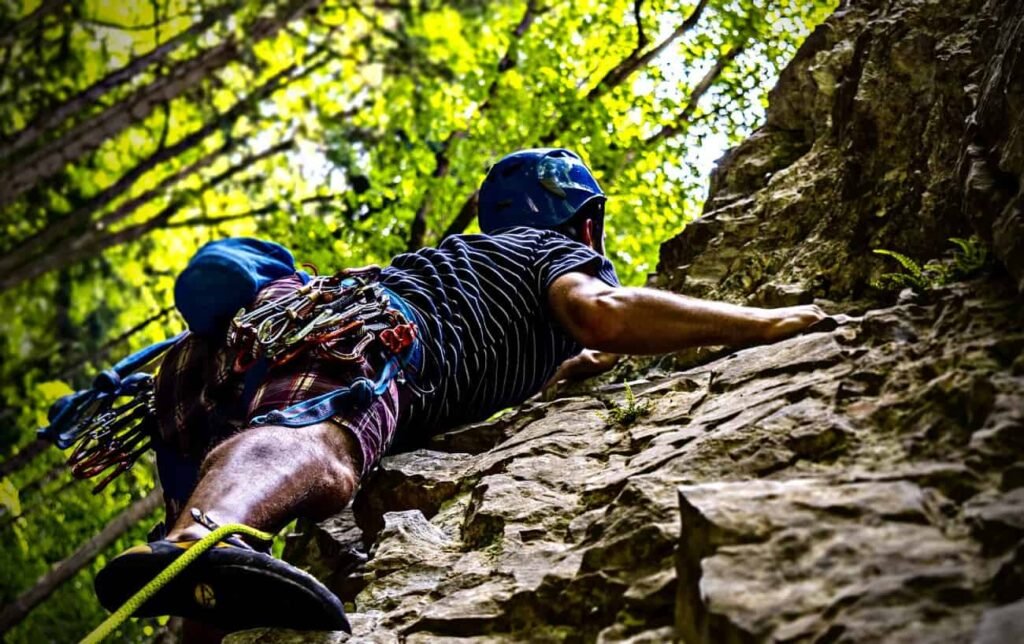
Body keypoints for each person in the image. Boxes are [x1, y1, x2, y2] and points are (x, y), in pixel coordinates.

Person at [93, 148, 827, 634]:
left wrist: (568, 372)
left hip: (211, 368)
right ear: (581, 221)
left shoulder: (475, 272)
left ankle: (193, 571)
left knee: (208, 572)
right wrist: (763, 324)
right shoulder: (552, 252)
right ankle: (197, 539)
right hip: (364, 331)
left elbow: (544, 362)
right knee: (330, 440)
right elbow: (601, 314)